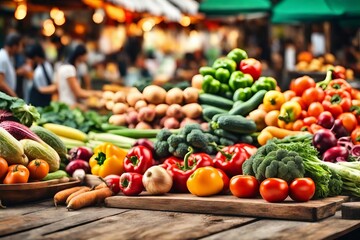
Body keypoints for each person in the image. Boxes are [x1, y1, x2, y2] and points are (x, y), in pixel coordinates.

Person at [25, 43, 57, 107]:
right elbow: (41, 89)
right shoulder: (39, 70)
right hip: (38, 102)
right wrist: (55, 87)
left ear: (36, 57)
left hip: (43, 101)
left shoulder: (46, 66)